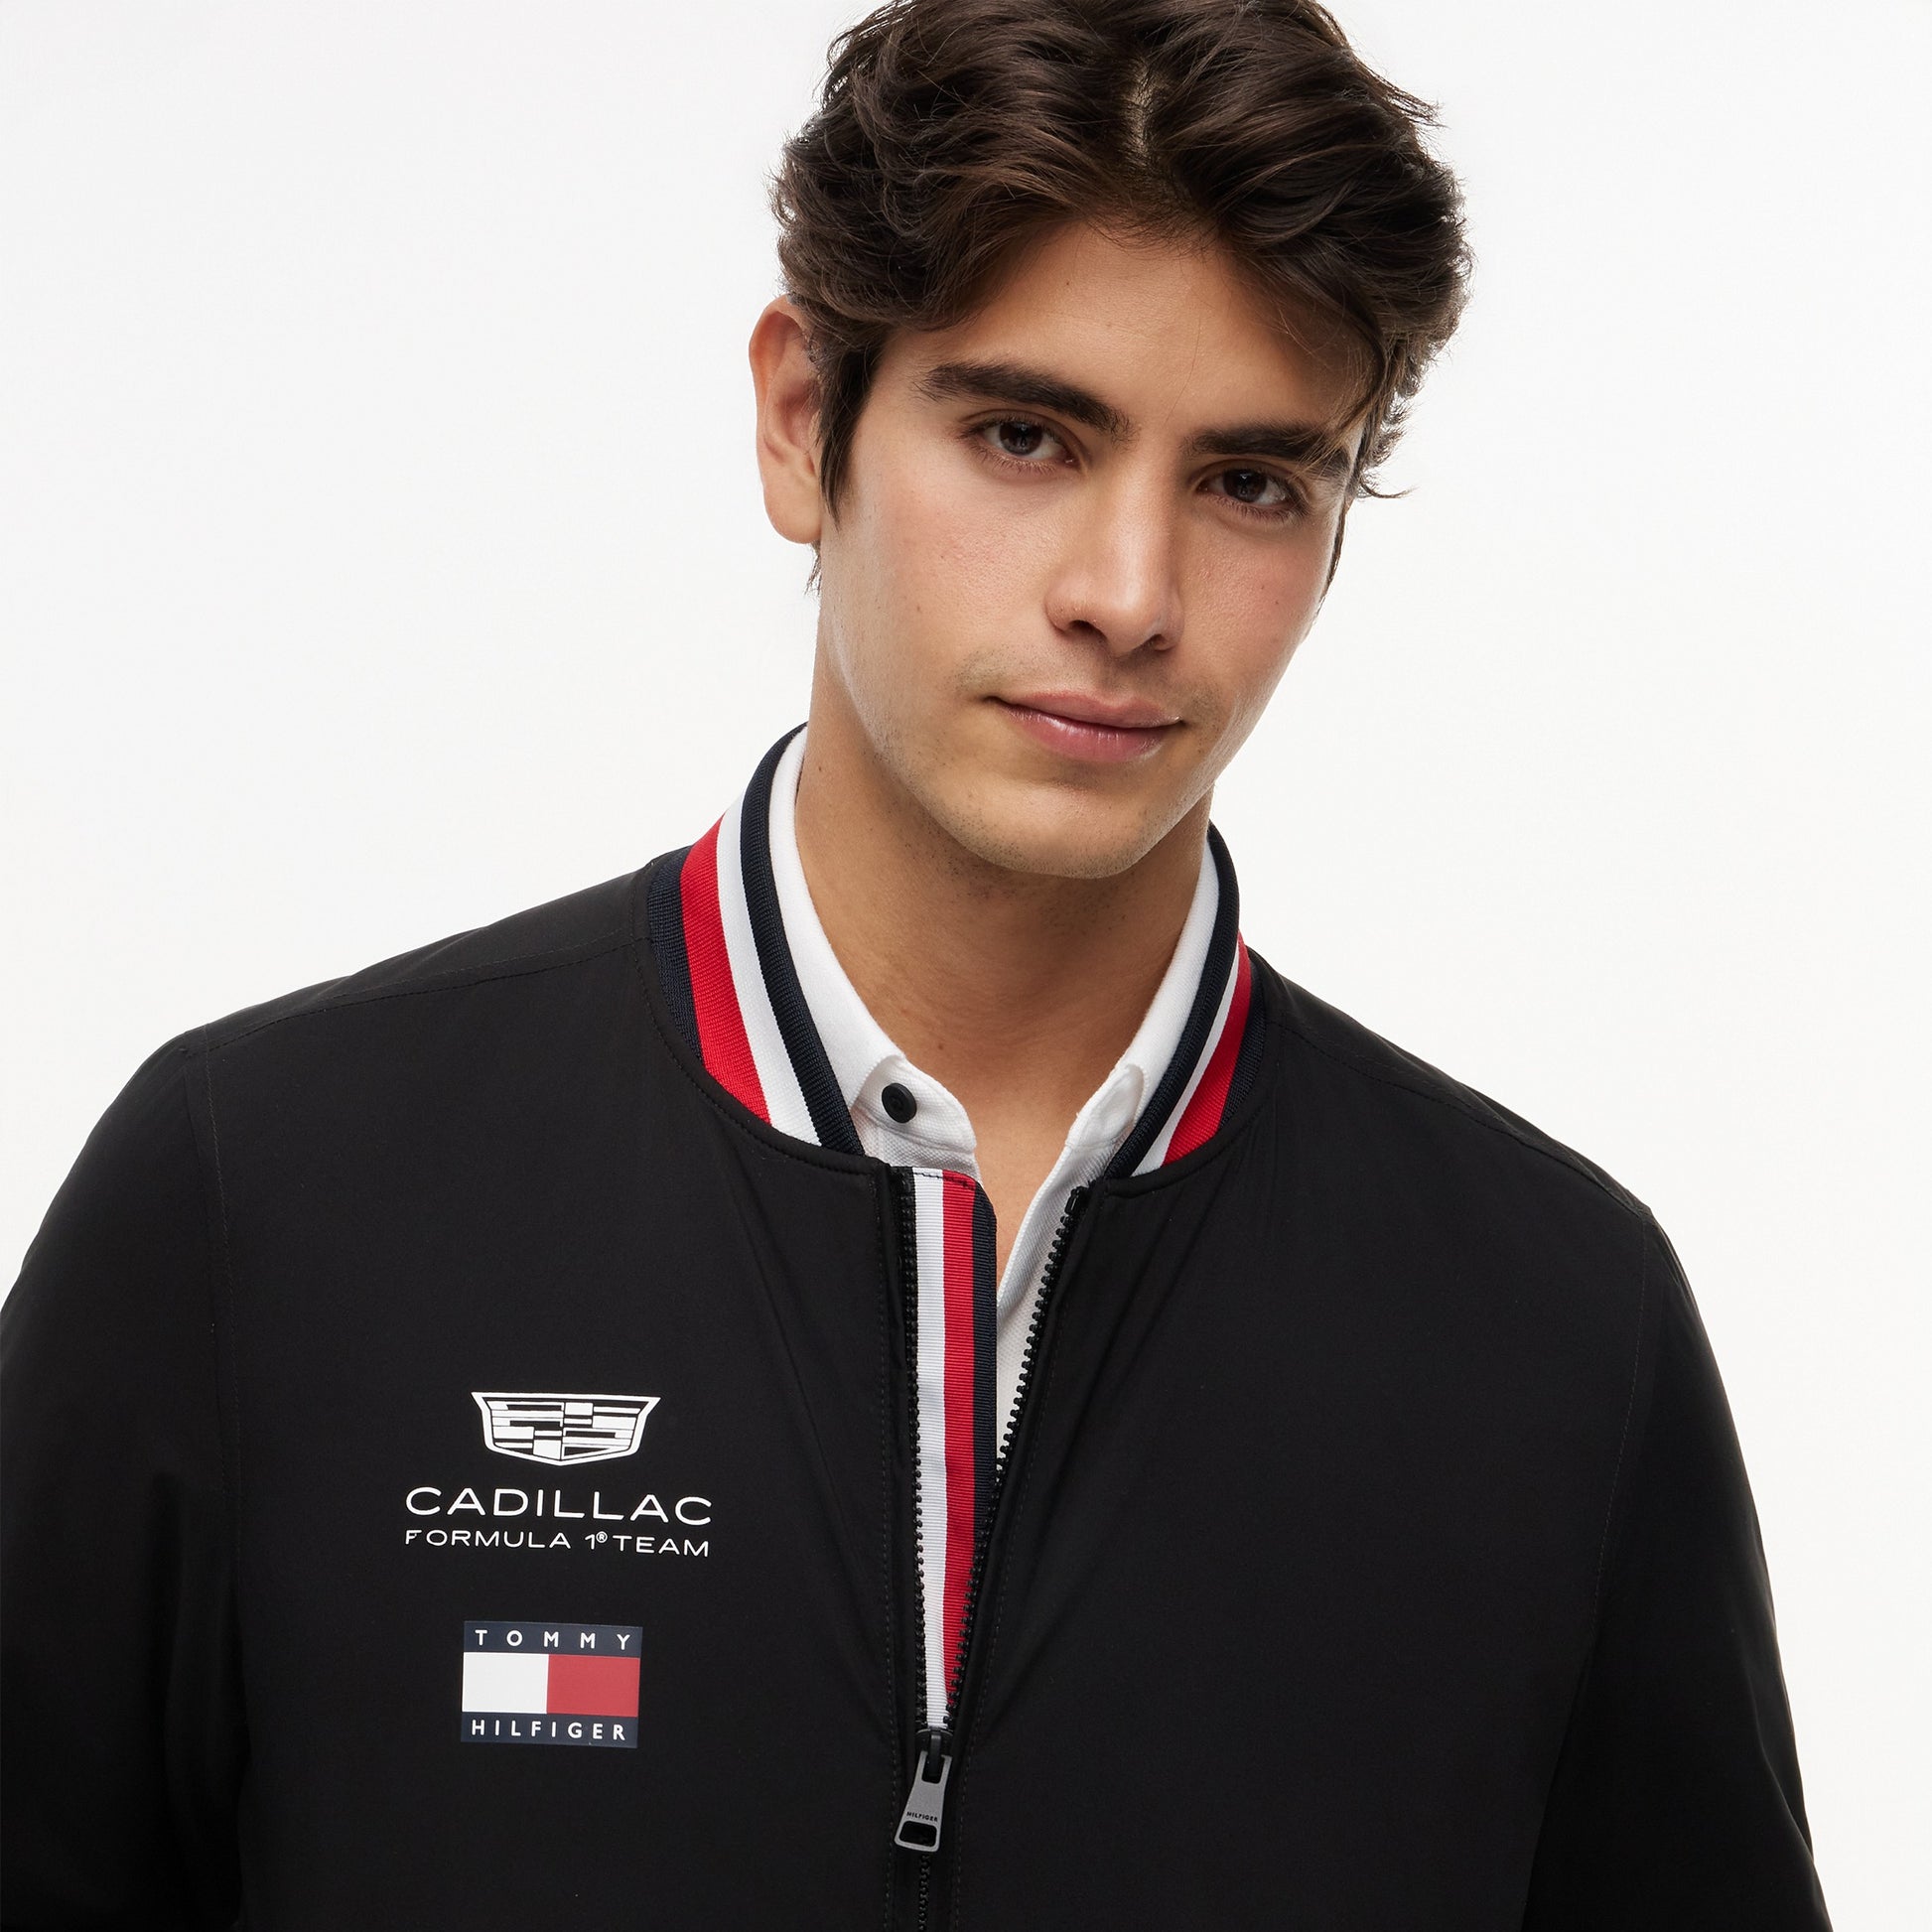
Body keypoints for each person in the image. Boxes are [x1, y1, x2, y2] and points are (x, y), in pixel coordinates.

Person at [1, 1, 1834, 1924]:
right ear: (805, 420)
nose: (1126, 595)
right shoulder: (260, 1202)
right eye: (1024, 435)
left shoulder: (1558, 1337)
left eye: (1249, 481)